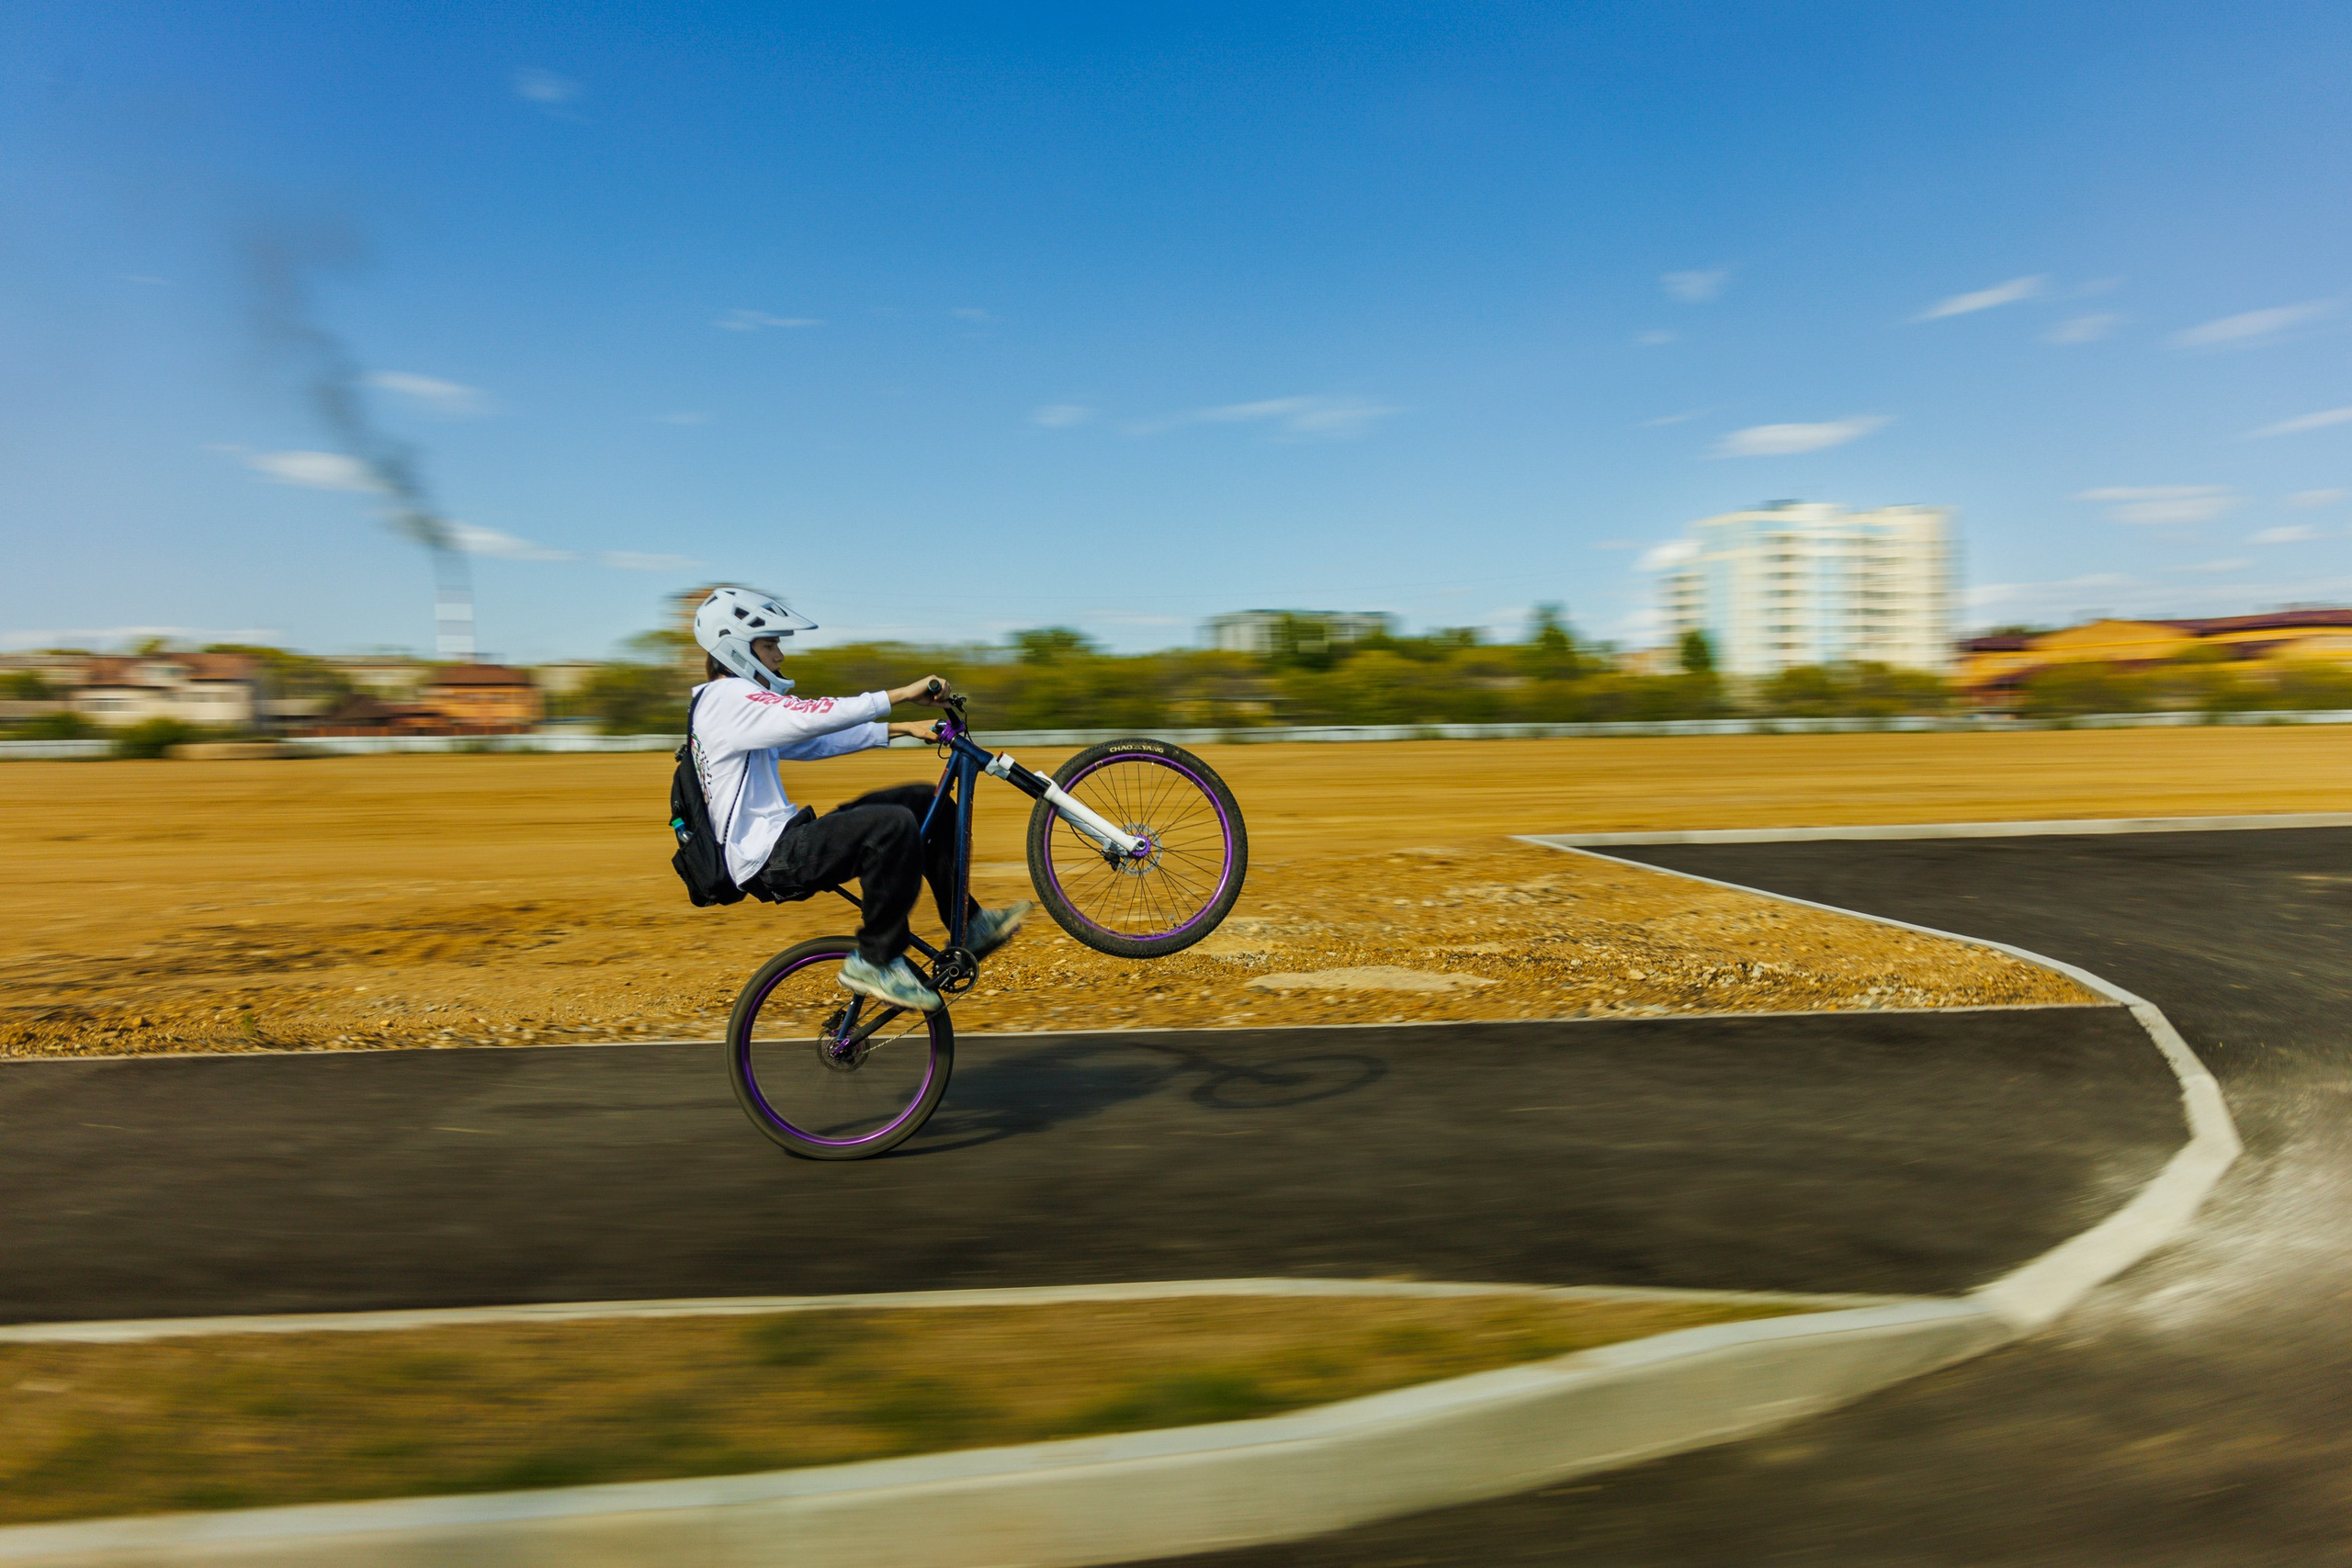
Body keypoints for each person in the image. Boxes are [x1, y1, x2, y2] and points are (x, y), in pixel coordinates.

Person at [688, 586, 1029, 1013]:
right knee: (891, 827)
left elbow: (812, 742)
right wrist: (899, 695)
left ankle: (969, 924)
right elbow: (808, 715)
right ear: (736, 647)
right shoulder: (726, 698)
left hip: (788, 840)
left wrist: (902, 729)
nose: (779, 656)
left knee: (925, 801)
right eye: (770, 644)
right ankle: (875, 959)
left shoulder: (728, 705)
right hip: (769, 858)